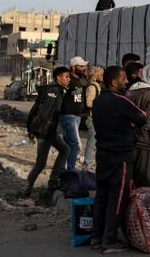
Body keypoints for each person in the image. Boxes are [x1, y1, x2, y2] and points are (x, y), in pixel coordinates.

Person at [91, 65, 146, 253]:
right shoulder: (121, 101)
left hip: (103, 154)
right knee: (118, 198)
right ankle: (110, 240)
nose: (127, 81)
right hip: (120, 156)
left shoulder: (98, 101)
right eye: (123, 79)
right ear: (114, 82)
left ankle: (96, 236)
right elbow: (142, 117)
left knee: (101, 196)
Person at [21, 67, 72, 197]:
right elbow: (43, 113)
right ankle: (26, 189)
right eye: (66, 77)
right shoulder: (53, 92)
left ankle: (53, 181)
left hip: (49, 130)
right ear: (58, 77)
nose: (68, 79)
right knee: (41, 163)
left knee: (65, 149)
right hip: (44, 131)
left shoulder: (57, 90)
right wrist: (35, 130)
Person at [60, 56, 90, 173]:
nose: (84, 68)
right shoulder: (68, 80)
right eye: (81, 66)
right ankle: (70, 171)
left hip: (76, 116)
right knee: (75, 145)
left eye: (84, 66)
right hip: (69, 115)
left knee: (67, 145)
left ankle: (62, 169)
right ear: (73, 67)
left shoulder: (81, 80)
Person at [81, 65, 104, 171]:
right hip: (92, 117)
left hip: (96, 117)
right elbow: (89, 102)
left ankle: (90, 161)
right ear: (95, 75)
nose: (102, 77)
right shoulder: (92, 87)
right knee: (92, 140)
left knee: (95, 140)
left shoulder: (97, 86)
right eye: (101, 75)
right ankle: (87, 162)